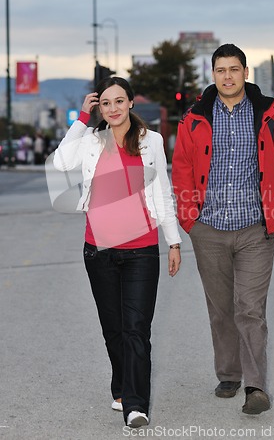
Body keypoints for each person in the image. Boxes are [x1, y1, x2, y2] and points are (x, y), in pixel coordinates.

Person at [172, 44, 274, 415]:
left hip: (255, 229)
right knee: (220, 308)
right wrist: (188, 219)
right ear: (212, 75)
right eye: (220, 70)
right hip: (208, 228)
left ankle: (255, 386)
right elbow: (180, 167)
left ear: (246, 72)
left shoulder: (269, 116)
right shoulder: (194, 117)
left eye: (234, 69)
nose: (227, 76)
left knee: (250, 308)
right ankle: (228, 372)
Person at [53, 76, 181, 428]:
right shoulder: (91, 141)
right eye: (106, 103)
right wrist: (80, 119)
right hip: (99, 250)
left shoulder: (150, 141)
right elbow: (61, 162)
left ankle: (135, 405)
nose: (113, 108)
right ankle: (122, 385)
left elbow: (163, 192)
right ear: (100, 107)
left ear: (130, 104)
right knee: (113, 328)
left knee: (137, 328)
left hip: (141, 249)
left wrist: (173, 241)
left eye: (119, 101)